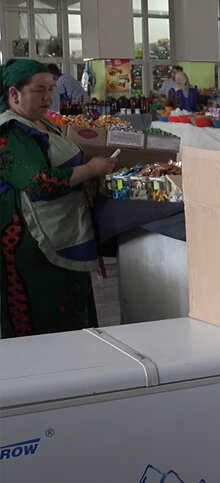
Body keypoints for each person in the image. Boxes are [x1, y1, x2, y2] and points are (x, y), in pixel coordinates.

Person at [0, 59, 117, 338]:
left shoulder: (40, 123)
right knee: (41, 317)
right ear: (14, 94)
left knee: (71, 316)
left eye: (50, 89)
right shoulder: (10, 131)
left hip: (61, 230)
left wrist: (85, 180)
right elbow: (38, 181)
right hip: (31, 241)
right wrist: (89, 170)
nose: (47, 97)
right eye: (39, 90)